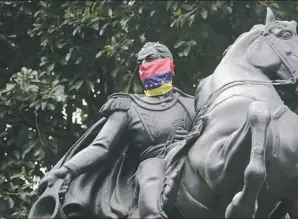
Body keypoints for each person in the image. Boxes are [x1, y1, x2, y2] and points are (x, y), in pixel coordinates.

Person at [29, 42, 195, 219]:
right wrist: (68, 169)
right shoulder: (128, 106)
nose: (145, 65)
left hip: (190, 161)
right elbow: (101, 146)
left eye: (151, 58)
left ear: (168, 62)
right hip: (153, 168)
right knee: (151, 175)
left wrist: (189, 139)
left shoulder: (191, 104)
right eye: (141, 62)